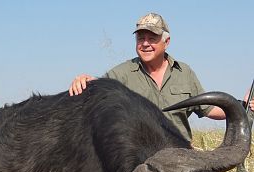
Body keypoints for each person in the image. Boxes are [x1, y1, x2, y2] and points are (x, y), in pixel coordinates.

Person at [68, 12, 227, 141]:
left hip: (180, 157)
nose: (145, 44)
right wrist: (84, 81)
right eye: (140, 38)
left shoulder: (184, 72)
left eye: (152, 38)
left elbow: (210, 110)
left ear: (167, 42)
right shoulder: (122, 73)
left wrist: (242, 106)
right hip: (140, 158)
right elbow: (99, 92)